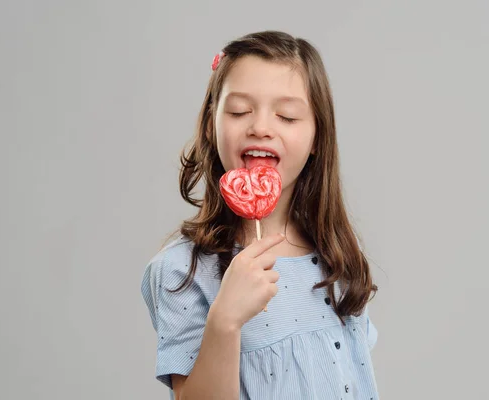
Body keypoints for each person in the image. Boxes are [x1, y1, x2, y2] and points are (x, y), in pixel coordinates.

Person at [141, 30, 380, 400]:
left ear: (317, 137)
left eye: (286, 116)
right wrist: (225, 320)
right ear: (210, 124)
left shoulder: (336, 255)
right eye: (239, 111)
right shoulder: (180, 271)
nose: (261, 128)